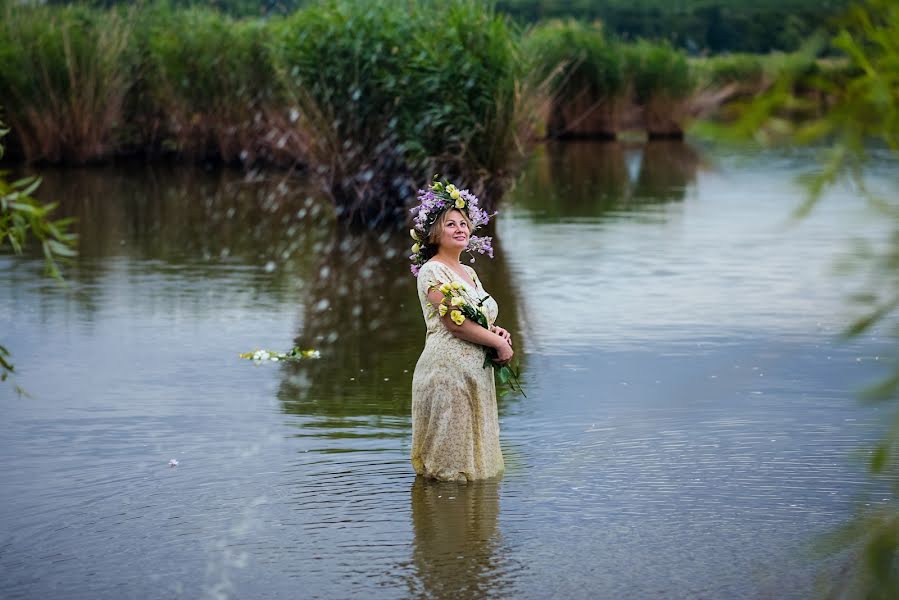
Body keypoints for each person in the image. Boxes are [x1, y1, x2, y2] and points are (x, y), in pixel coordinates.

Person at [408, 181, 513, 482]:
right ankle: (443, 522)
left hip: (474, 375)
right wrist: (498, 345)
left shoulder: (469, 273)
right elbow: (453, 321)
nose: (460, 229)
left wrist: (497, 333)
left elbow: (476, 318)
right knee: (450, 466)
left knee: (474, 461)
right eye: (450, 224)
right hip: (447, 374)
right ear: (435, 234)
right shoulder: (432, 270)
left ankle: (473, 526)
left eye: (464, 224)